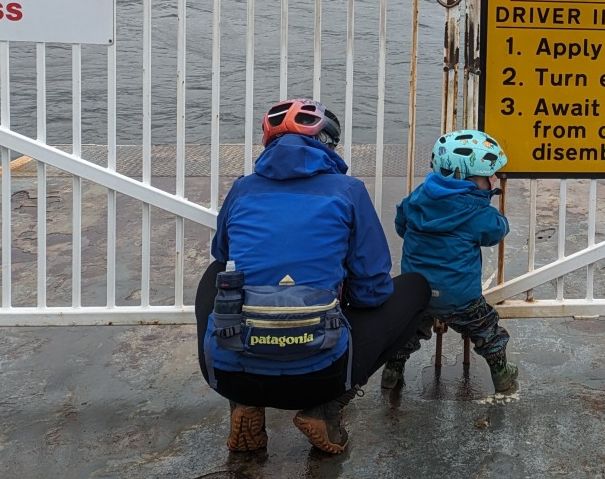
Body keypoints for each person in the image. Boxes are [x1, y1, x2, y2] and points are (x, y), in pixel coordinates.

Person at [195, 98, 431, 455]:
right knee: (416, 289)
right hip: (320, 377)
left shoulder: (243, 188)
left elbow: (222, 254)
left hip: (233, 375)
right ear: (329, 145)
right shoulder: (348, 191)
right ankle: (326, 409)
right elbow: (372, 290)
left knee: (215, 275)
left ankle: (242, 403)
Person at [380, 129, 519, 394]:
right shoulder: (477, 212)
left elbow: (401, 225)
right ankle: (502, 375)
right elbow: (496, 233)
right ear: (467, 179)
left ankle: (391, 372)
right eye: (488, 176)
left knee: (405, 334)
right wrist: (493, 212)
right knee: (487, 330)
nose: (493, 180)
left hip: (416, 292)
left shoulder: (418, 198)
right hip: (460, 297)